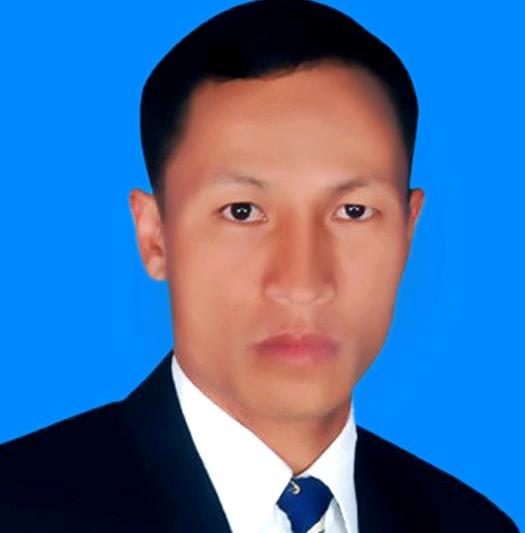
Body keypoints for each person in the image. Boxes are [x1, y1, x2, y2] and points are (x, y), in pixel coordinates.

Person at [0, 0, 518, 531]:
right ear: (155, 236)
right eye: (243, 211)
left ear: (407, 233)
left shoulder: (473, 525)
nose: (302, 283)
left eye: (353, 211)